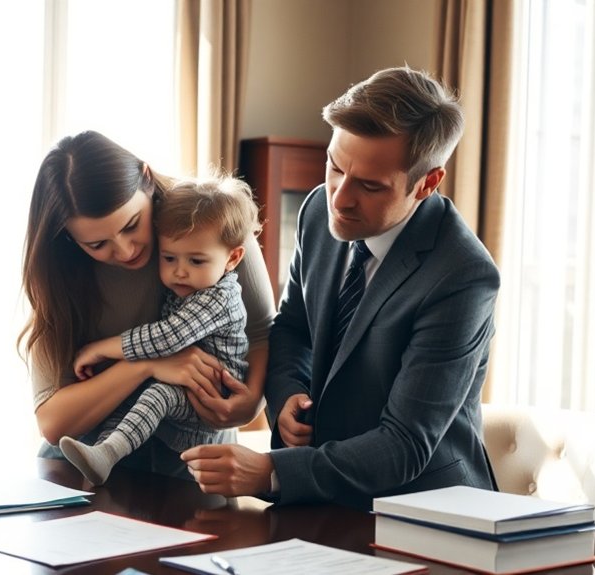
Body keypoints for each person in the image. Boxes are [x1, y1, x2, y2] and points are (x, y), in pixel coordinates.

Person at [181, 66, 501, 509]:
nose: (340, 197)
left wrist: (271, 471)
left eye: (370, 185)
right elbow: (293, 327)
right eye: (334, 166)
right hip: (322, 496)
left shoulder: (462, 275)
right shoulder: (318, 211)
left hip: (427, 511)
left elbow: (405, 444)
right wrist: (287, 393)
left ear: (427, 183)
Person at [20, 131, 275, 480]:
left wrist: (249, 404)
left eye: (131, 225)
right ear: (68, 238)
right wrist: (147, 365)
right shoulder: (59, 269)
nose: (125, 251)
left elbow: (261, 330)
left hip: (192, 460)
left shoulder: (212, 217)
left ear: (148, 181)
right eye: (97, 245)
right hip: (82, 463)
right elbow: (53, 422)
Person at [58, 176, 261, 485]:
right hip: (183, 386)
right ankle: (103, 451)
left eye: (196, 260)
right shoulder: (188, 288)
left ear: (233, 258)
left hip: (207, 397)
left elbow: (167, 337)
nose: (180, 271)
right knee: (132, 395)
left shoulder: (218, 298)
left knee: (158, 394)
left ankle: (109, 453)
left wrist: (100, 348)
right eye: (169, 258)